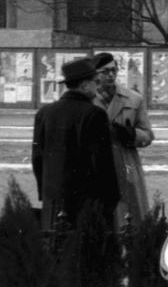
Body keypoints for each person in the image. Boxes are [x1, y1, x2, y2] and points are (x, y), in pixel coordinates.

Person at [32, 56, 122, 230]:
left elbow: (37, 158)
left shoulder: (44, 113)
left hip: (53, 198)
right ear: (85, 85)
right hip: (86, 200)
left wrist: (45, 194)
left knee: (56, 247)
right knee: (85, 250)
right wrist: (112, 198)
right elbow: (102, 163)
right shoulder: (94, 114)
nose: (98, 86)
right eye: (95, 81)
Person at [92, 52, 153, 225]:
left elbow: (148, 134)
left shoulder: (134, 99)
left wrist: (132, 134)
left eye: (114, 70)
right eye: (105, 71)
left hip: (124, 161)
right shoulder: (86, 101)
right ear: (95, 74)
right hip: (96, 162)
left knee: (128, 215)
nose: (111, 74)